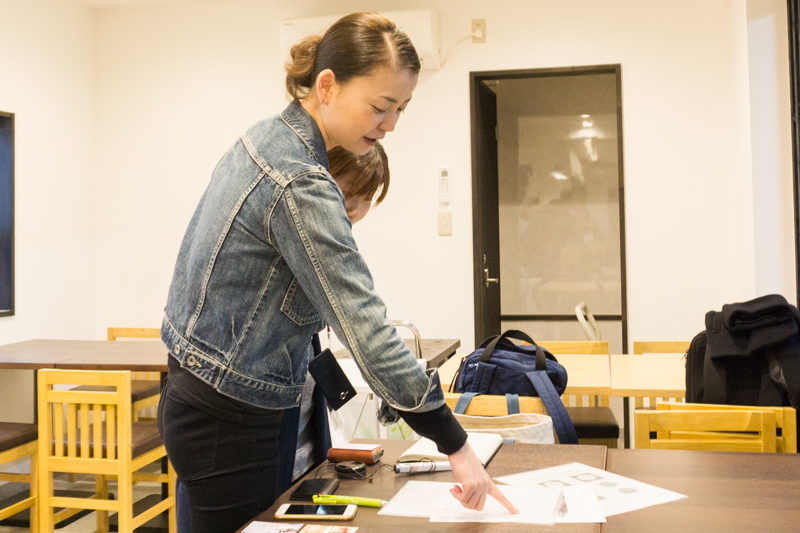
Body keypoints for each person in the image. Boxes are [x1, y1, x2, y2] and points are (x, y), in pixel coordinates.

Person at [157, 12, 518, 533]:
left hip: (200, 391)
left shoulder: (263, 138)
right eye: (380, 106)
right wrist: (456, 444)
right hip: (231, 415)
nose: (390, 124)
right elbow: (365, 325)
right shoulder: (300, 181)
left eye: (401, 109)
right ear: (326, 86)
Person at [174, 144, 391, 533]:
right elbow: (363, 323)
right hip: (241, 435)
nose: (356, 210)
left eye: (367, 199)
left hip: (296, 451)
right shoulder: (266, 240)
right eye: (348, 194)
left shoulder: (318, 240)